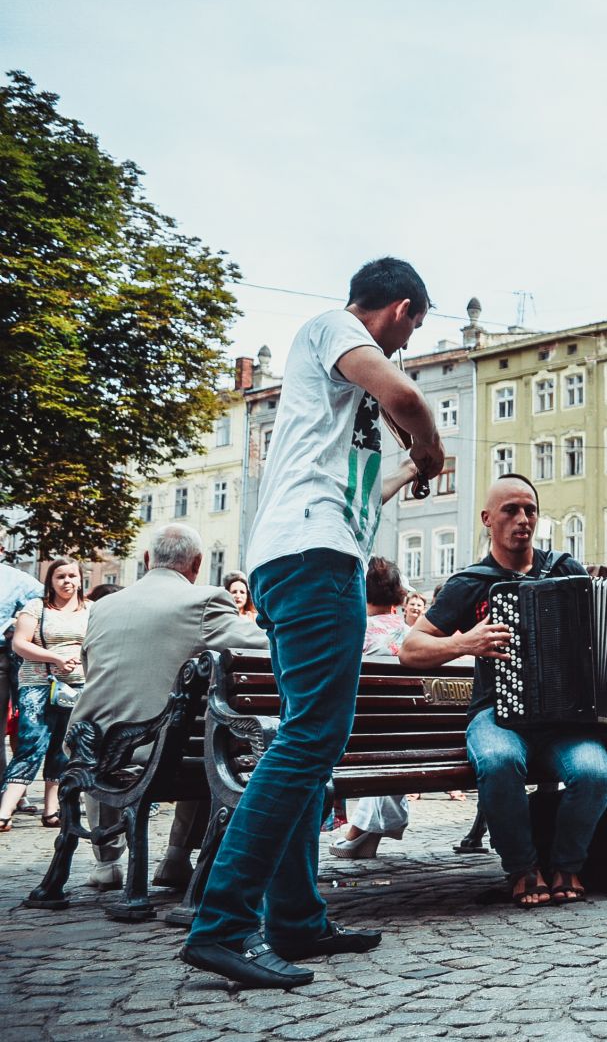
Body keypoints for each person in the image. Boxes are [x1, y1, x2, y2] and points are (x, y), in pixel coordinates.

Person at [182, 257, 444, 990]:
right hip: (311, 555)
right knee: (309, 738)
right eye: (413, 327)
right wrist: (429, 446)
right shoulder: (335, 327)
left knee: (309, 736)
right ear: (398, 308)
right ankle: (224, 922)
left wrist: (405, 472)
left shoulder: (335, 410)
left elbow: (363, 488)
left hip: (303, 555)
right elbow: (406, 397)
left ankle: (295, 918)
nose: (405, 344)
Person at [403, 474, 607, 904]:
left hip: (564, 720)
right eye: (510, 510)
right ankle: (522, 868)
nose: (522, 519)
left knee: (592, 772)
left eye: (529, 509)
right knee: (498, 760)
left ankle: (567, 866)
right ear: (487, 519)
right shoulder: (470, 583)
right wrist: (465, 642)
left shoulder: (565, 570)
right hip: (497, 712)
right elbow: (410, 649)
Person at [69, 525, 268, 889]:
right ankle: (176, 856)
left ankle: (107, 860)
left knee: (110, 726)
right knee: (208, 746)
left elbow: (89, 667)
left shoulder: (102, 606)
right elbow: (260, 647)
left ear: (147, 560)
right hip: (160, 750)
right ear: (196, 563)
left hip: (88, 743)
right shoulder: (204, 600)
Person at [0, 558, 91, 830]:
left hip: (78, 686)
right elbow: (19, 644)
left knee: (62, 748)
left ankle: (52, 811)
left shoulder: (91, 610)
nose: (67, 581)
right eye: (60, 576)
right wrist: (54, 658)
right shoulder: (36, 607)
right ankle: (5, 810)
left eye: (72, 576)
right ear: (50, 581)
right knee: (32, 743)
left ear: (80, 579)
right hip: (39, 685)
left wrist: (81, 656)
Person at [334, 557, 412, 859]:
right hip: (419, 739)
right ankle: (362, 831)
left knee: (379, 736)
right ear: (398, 593)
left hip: (360, 738)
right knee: (393, 735)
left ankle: (359, 831)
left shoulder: (353, 634)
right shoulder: (415, 636)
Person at [0, 538, 45, 782]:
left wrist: (19, 626)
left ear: (1, 549)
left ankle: (6, 788)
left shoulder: (13, 579)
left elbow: (48, 597)